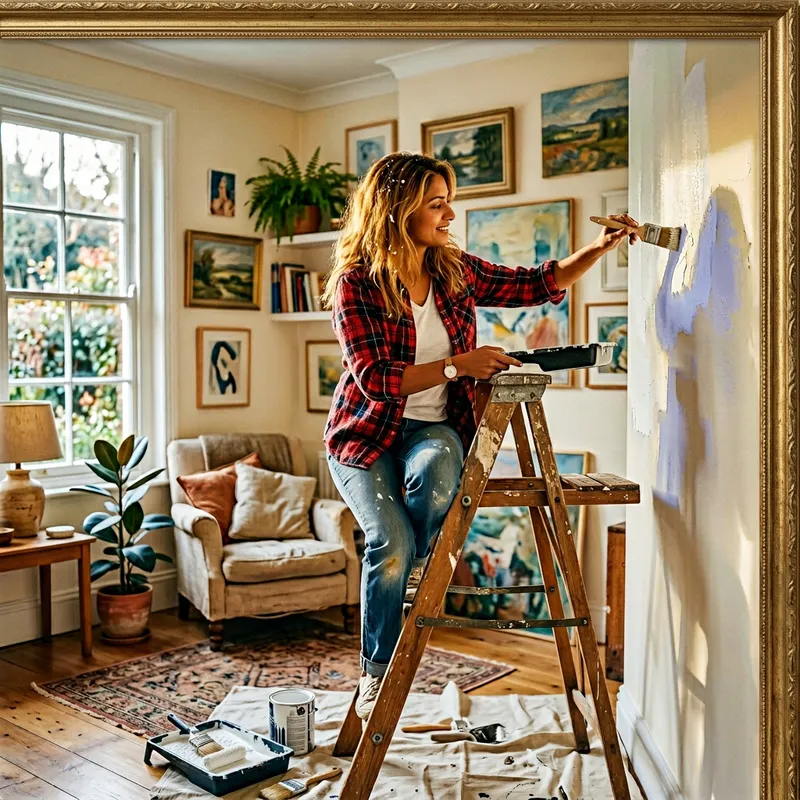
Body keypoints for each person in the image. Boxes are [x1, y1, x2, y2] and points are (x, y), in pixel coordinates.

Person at [320, 151, 638, 721]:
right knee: (386, 543)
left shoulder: (452, 270)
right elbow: (377, 381)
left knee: (441, 474)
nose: (449, 213)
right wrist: (459, 366)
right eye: (437, 203)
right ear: (399, 210)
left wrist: (599, 249)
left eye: (448, 200)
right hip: (364, 437)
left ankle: (415, 565)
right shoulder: (356, 284)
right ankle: (376, 676)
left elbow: (535, 283)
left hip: (433, 430)